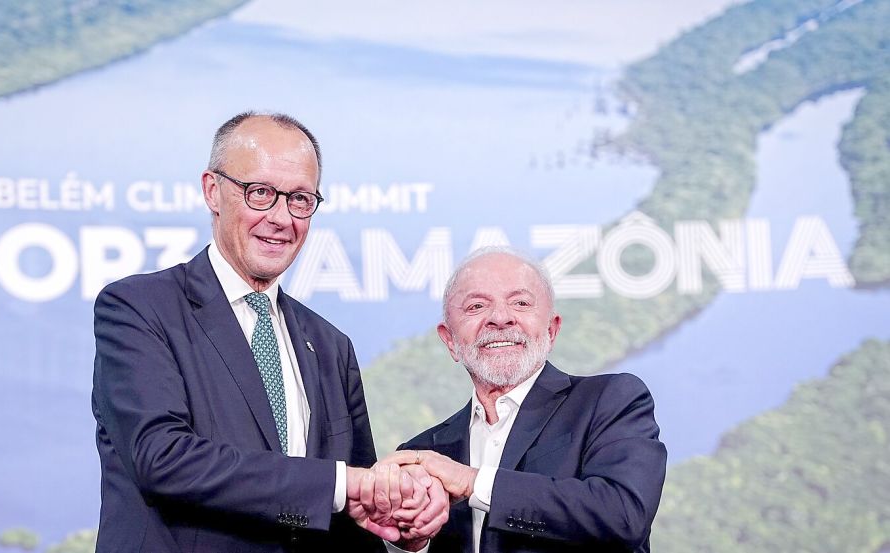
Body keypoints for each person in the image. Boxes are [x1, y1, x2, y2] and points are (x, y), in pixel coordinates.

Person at [91, 112, 446, 552]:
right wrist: (345, 483)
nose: (282, 218)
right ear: (212, 191)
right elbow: (162, 458)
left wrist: (400, 529)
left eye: (300, 199)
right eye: (260, 193)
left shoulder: (330, 346)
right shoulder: (140, 308)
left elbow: (350, 508)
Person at [377, 247, 667, 553]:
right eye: (476, 306)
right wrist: (412, 542)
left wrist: (472, 482)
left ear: (552, 329)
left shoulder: (609, 402)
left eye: (521, 303)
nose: (500, 318)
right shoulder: (424, 453)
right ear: (450, 340)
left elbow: (623, 516)